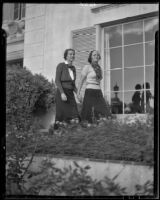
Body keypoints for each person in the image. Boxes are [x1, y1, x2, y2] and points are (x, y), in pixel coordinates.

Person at [77, 50, 110, 124]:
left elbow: (98, 81)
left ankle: (99, 129)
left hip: (98, 92)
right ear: (91, 57)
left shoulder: (99, 69)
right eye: (94, 55)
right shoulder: (87, 67)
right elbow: (81, 80)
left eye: (98, 55)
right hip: (90, 92)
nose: (96, 56)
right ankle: (87, 130)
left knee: (103, 112)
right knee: (88, 113)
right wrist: (78, 93)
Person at [54, 48, 80, 130]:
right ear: (66, 56)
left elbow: (73, 84)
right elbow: (57, 80)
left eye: (73, 54)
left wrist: (78, 93)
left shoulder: (73, 68)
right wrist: (62, 93)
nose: (72, 55)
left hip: (70, 94)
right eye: (70, 54)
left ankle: (72, 133)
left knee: (74, 114)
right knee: (62, 115)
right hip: (62, 92)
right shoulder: (61, 65)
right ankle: (58, 134)